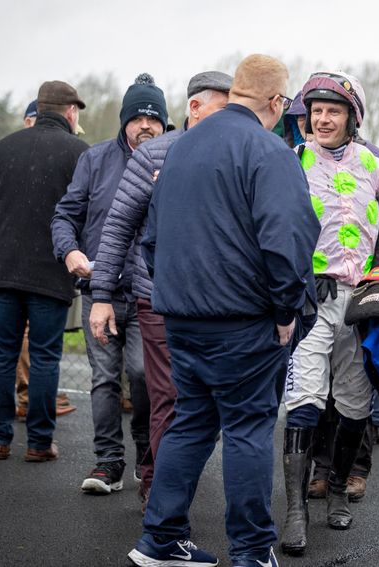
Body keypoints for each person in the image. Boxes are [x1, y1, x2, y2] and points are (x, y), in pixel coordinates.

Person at [126, 54, 317, 567]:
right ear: (276, 101)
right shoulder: (269, 151)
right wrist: (286, 310)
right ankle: (253, 551)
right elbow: (288, 241)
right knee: (249, 429)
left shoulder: (180, 148)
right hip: (244, 321)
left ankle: (160, 540)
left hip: (181, 318)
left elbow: (152, 240)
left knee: (191, 422)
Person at [280, 70, 379, 554]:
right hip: (311, 301)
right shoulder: (291, 161)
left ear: (352, 117)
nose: (323, 119)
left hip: (361, 304)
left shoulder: (376, 167)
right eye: (316, 112)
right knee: (306, 400)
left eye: (333, 111)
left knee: (355, 403)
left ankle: (337, 489)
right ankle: (296, 509)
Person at [90, 70, 232, 509]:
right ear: (194, 107)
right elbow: (117, 227)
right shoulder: (154, 154)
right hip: (160, 297)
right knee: (164, 393)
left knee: (204, 399)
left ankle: (165, 474)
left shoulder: (234, 153)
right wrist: (99, 298)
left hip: (218, 304)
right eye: (226, 110)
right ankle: (160, 491)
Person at [52, 74, 169, 493]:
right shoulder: (94, 159)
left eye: (153, 119)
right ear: (123, 121)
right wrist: (69, 252)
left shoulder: (174, 159)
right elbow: (66, 214)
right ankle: (108, 462)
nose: (145, 125)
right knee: (102, 379)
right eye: (137, 117)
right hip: (98, 290)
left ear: (165, 124)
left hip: (148, 293)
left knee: (142, 374)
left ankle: (146, 452)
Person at [0, 80, 89, 462]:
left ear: (40, 108)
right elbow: (89, 215)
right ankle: (40, 443)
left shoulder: (4, 148)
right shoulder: (80, 152)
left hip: (4, 271)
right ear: (70, 112)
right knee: (45, 357)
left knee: (2, 356)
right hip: (51, 273)